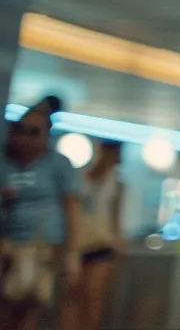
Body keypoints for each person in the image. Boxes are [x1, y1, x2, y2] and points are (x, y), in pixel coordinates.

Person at [0, 97, 83, 330]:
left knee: (28, 304)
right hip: (7, 244)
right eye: (19, 130)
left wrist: (72, 254)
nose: (24, 137)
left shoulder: (57, 164)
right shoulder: (4, 162)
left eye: (33, 132)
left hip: (42, 246)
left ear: (46, 136)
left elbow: (72, 208)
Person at [62, 139, 125, 330]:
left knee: (92, 292)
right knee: (73, 292)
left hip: (102, 241)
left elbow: (115, 215)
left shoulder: (117, 182)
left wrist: (118, 239)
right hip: (77, 240)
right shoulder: (79, 176)